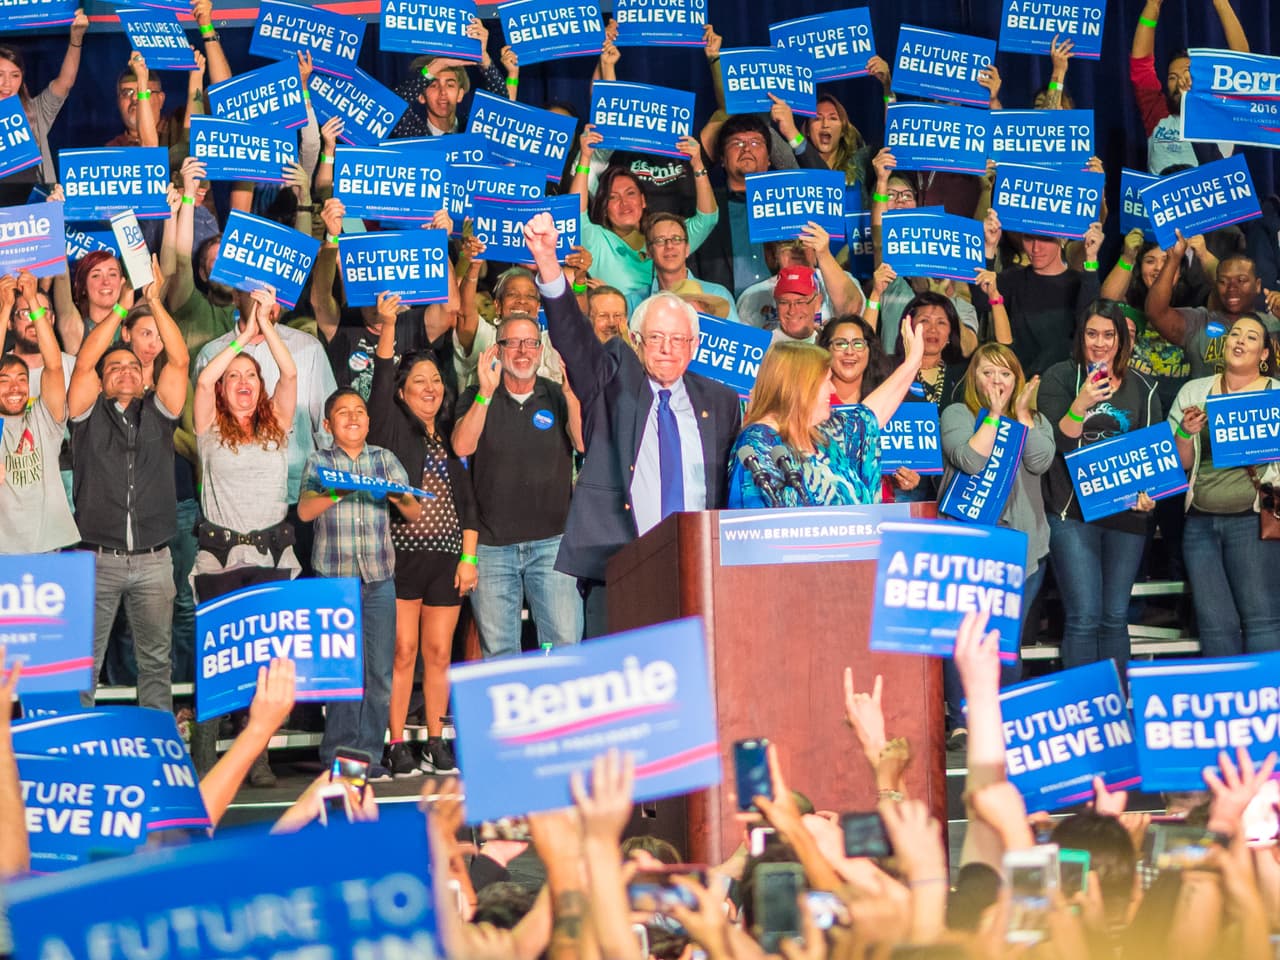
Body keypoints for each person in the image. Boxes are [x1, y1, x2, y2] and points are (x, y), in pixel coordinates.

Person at [527, 212, 741, 638]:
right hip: (619, 565)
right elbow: (574, 341)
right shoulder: (615, 379)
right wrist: (549, 265)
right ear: (637, 340)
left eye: (678, 340)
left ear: (694, 346)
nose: (667, 350)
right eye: (656, 338)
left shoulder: (720, 401)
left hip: (698, 569)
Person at [68, 267, 189, 711]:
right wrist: (122, 303)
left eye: (131, 366)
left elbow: (179, 361)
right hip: (97, 559)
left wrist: (153, 300)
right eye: (113, 367)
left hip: (155, 562)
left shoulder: (159, 413)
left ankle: (156, 750)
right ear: (101, 380)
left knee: (156, 664)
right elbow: (83, 361)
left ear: (143, 376)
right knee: (84, 666)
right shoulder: (85, 416)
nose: (123, 371)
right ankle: (75, 750)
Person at [367, 294, 477, 779]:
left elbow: (469, 505)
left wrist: (468, 558)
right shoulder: (392, 428)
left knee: (438, 653)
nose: (430, 388)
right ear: (401, 391)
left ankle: (435, 738)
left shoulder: (452, 437)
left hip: (446, 562)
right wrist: (388, 326)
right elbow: (383, 368)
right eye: (419, 382)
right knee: (403, 653)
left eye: (435, 380)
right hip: (401, 561)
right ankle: (394, 743)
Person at [299, 388, 422, 779]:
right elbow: (304, 511)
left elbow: (414, 510)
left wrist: (396, 495)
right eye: (342, 412)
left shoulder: (383, 459)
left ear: (368, 421)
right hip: (334, 583)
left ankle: (368, 756)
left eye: (359, 411)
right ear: (328, 423)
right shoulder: (320, 461)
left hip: (379, 580)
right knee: (341, 673)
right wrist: (343, 487)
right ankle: (339, 758)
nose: (352, 417)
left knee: (379, 673)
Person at [1037, 300, 1161, 673]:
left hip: (1126, 515)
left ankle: (1116, 708)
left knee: (1114, 616)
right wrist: (1083, 401)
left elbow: (1151, 453)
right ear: (1082, 336)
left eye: (1109, 334)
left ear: (1122, 340)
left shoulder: (1143, 387)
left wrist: (1149, 496)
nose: (1100, 342)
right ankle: (1082, 710)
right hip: (1072, 514)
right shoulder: (1060, 377)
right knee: (1084, 616)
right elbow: (1058, 443)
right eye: (1093, 333)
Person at [452, 314, 584, 661]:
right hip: (493, 548)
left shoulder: (556, 394)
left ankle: (563, 718)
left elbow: (583, 445)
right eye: (514, 342)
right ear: (498, 349)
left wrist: (572, 398)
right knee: (500, 655)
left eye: (531, 343)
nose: (523, 351)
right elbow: (462, 446)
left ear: (541, 350)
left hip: (553, 544)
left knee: (564, 646)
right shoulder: (475, 396)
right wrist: (484, 393)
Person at [939, 344, 1055, 737]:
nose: (997, 381)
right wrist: (993, 415)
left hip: (1022, 546)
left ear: (1018, 379)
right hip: (969, 543)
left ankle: (1003, 721)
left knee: (1006, 644)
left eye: (1005, 373)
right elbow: (970, 460)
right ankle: (963, 721)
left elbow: (1040, 462)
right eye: (988, 372)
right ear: (974, 377)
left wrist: (1020, 417)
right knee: (966, 637)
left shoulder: (1034, 418)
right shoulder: (959, 414)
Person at [1168, 316, 1280, 657]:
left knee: (1262, 619)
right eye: (1235, 334)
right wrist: (1186, 432)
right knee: (1215, 626)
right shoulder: (1194, 391)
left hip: (1253, 521)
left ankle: (1269, 706)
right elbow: (1180, 464)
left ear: (1263, 354)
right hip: (1200, 524)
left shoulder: (1275, 394)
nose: (1240, 341)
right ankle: (1229, 707)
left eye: (1250, 337)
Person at [727, 316, 924, 508]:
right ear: (802, 386)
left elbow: (868, 416)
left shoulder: (820, 434)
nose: (832, 389)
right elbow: (756, 525)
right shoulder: (759, 443)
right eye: (827, 380)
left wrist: (913, 362)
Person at [571, 137, 718, 298]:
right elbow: (575, 211)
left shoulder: (664, 238)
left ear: (643, 201)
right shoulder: (597, 241)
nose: (624, 203)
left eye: (630, 193)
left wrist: (697, 164)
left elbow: (707, 218)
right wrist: (585, 158)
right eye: (613, 197)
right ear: (604, 208)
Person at [971, 210, 1104, 377]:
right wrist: (989, 247)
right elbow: (981, 301)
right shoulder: (1013, 278)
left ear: (1062, 239)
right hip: (1018, 382)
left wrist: (1091, 258)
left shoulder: (1080, 283)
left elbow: (1089, 321)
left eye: (1045, 238)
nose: (1035, 248)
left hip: (1064, 385)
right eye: (1028, 238)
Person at [0, 273, 78, 554]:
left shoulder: (45, 420)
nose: (16, 388)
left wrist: (33, 301)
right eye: (5, 380)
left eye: (23, 379)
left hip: (45, 543)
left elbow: (54, 366)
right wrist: (5, 307)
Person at [1129, 0, 1250, 174]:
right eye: (1172, 77)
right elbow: (1140, 64)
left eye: (1187, 73)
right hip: (1162, 198)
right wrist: (1152, 5)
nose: (1180, 82)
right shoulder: (1157, 112)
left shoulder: (1220, 112)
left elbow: (1242, 66)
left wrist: (1221, 3)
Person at [1146, 241, 1279, 379]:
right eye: (1223, 281)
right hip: (1206, 399)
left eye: (1241, 280)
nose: (1232, 288)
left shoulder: (1275, 323)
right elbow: (1156, 313)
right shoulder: (1199, 321)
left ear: (1257, 285)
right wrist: (1173, 259)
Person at [0, 11, 87, 195]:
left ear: (22, 80)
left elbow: (65, 82)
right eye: (0, 75)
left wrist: (76, 39)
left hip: (34, 217)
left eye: (15, 76)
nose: (6, 84)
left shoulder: (34, 112)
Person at [626, 214, 738, 322]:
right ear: (649, 252)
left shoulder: (718, 295)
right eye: (660, 240)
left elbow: (736, 339)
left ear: (687, 249)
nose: (669, 246)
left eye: (677, 239)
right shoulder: (632, 302)